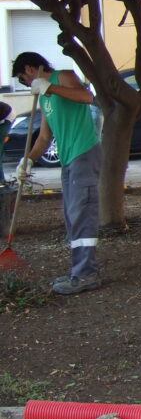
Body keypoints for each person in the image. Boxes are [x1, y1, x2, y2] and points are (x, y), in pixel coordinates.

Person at [13, 52, 102, 295]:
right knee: (72, 216)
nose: (26, 84)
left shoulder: (63, 77)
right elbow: (44, 137)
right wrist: (28, 161)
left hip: (84, 152)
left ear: (30, 69)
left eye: (23, 79)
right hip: (68, 159)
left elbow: (86, 97)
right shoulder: (44, 98)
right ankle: (79, 270)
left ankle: (86, 275)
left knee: (82, 212)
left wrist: (50, 86)